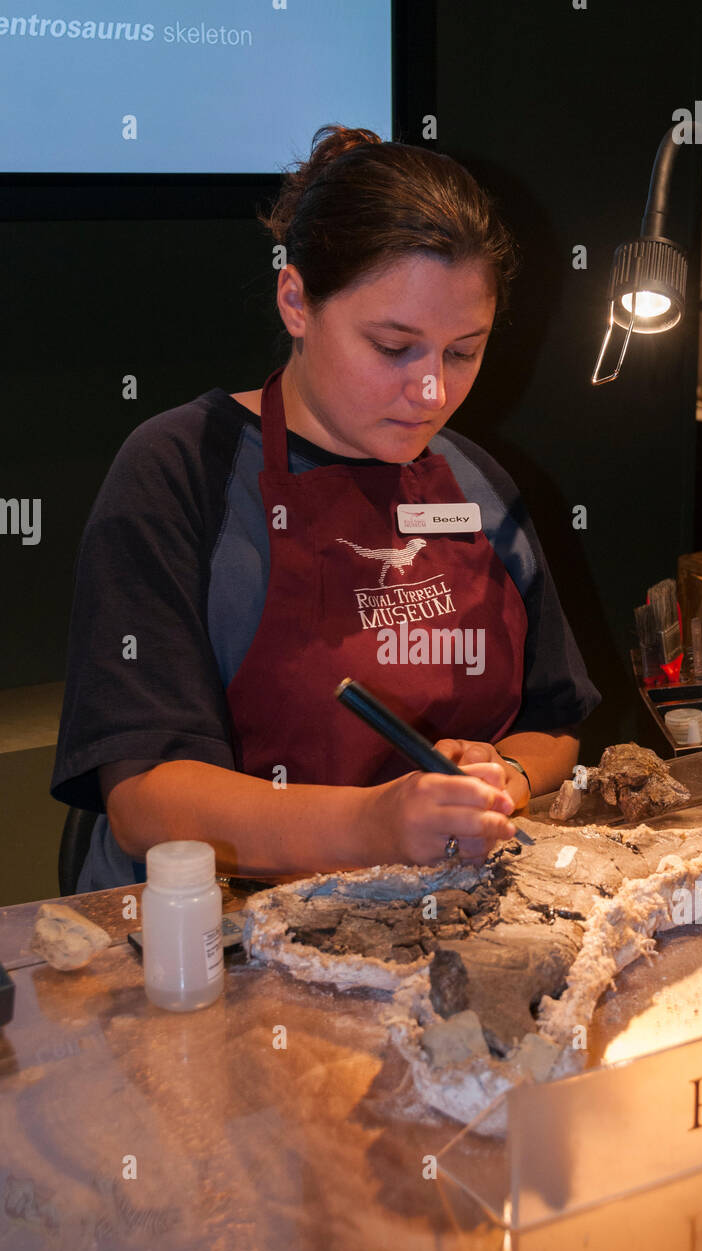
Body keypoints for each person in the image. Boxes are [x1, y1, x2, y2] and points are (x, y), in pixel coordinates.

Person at [51, 125, 600, 891]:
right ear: (296, 300)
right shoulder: (179, 469)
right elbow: (145, 800)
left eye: (462, 351)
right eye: (391, 346)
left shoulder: (475, 481)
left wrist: (501, 775)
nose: (433, 391)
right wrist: (373, 825)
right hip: (214, 932)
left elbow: (554, 727)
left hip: (433, 911)